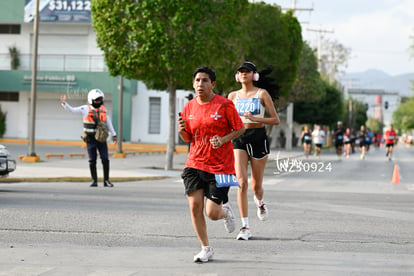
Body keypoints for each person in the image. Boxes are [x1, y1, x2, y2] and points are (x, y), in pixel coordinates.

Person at [178, 67, 245, 262]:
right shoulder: (188, 107)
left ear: (213, 84)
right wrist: (181, 130)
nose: (200, 84)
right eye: (197, 80)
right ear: (193, 83)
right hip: (194, 163)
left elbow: (239, 129)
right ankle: (205, 248)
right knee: (194, 206)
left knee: (212, 213)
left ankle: (226, 212)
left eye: (205, 80)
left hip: (220, 166)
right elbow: (187, 137)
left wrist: (223, 140)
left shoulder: (224, 105)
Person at [228, 61, 280, 241]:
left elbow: (275, 120)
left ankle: (260, 202)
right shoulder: (232, 96)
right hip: (239, 137)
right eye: (240, 71)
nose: (243, 74)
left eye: (247, 71)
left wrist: (256, 118)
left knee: (255, 185)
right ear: (237, 76)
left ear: (254, 75)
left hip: (258, 136)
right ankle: (245, 227)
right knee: (241, 182)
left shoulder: (261, 94)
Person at [61, 89, 117, 187]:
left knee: (105, 159)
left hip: (102, 138)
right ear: (91, 100)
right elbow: (72, 110)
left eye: (100, 99)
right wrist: (65, 104)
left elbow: (108, 122)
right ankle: (94, 181)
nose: (99, 101)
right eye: (97, 100)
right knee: (92, 160)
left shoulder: (103, 109)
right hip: (90, 139)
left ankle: (106, 180)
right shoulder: (85, 109)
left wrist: (114, 134)